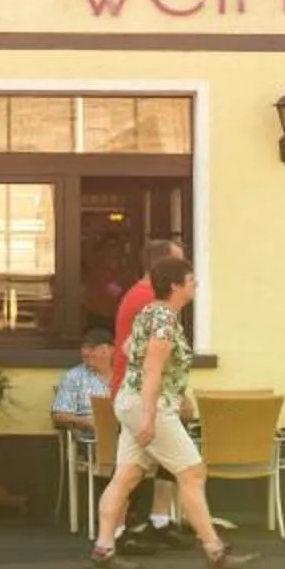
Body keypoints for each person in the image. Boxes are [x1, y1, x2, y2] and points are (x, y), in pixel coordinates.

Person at [89, 252, 255, 569]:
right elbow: (152, 368)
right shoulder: (165, 319)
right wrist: (151, 416)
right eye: (192, 281)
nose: (196, 285)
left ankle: (103, 550)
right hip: (148, 405)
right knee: (192, 473)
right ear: (177, 286)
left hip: (129, 400)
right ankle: (214, 551)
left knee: (127, 476)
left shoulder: (149, 312)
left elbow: (126, 351)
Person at [106, 235, 185, 550]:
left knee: (141, 465)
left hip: (141, 392)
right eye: (179, 262)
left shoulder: (144, 297)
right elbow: (150, 356)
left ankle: (140, 526)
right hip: (141, 394)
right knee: (182, 466)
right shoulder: (147, 302)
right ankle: (129, 528)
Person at [50, 328, 112, 430]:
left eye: (92, 348)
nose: (86, 353)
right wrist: (85, 421)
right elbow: (59, 415)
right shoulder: (74, 377)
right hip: (89, 438)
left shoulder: (126, 375)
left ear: (110, 350)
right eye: (84, 348)